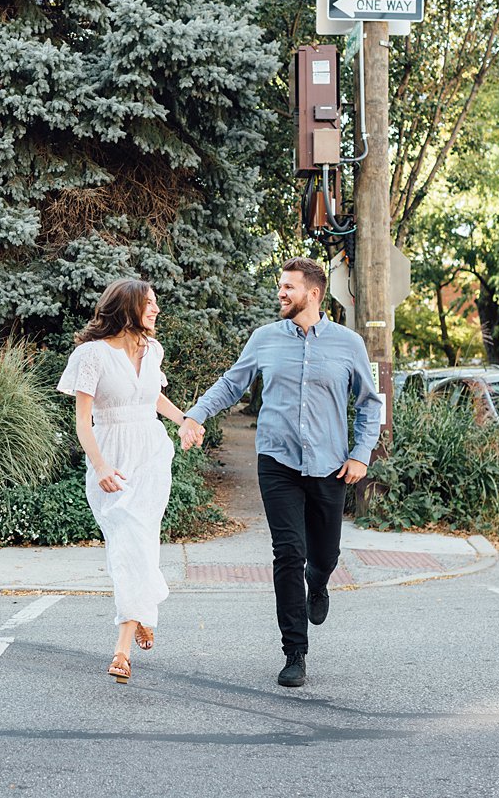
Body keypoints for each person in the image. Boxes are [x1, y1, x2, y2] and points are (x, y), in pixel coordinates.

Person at [179, 257, 382, 689]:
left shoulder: (348, 344)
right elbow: (232, 383)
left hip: (330, 465)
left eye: (289, 287)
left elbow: (369, 403)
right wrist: (195, 416)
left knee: (323, 555)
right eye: (280, 286)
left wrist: (361, 455)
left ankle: (320, 580)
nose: (281, 293)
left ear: (313, 293)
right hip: (278, 462)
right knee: (288, 553)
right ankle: (295, 652)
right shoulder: (264, 339)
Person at [57, 279, 196, 684]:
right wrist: (100, 468)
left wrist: (184, 420)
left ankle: (123, 647)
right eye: (148, 304)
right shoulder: (91, 355)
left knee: (140, 540)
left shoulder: (153, 351)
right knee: (126, 541)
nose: (155, 310)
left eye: (155, 304)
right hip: (111, 456)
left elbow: (151, 398)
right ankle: (142, 609)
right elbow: (83, 421)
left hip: (151, 454)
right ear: (127, 307)